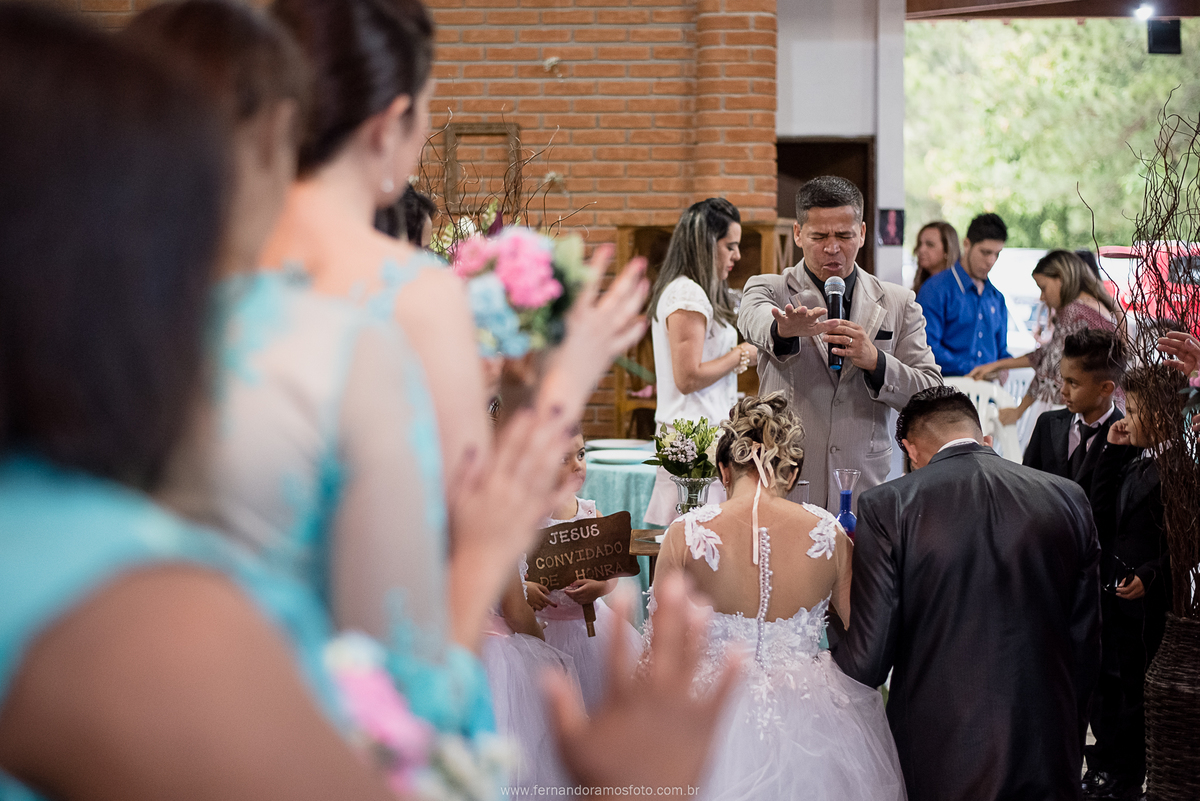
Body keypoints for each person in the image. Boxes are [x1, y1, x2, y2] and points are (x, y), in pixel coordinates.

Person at [835, 386, 1100, 801]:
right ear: (980, 435)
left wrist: (826, 617)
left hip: (940, 748)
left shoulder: (887, 505)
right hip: (1048, 744)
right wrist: (1066, 732)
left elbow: (868, 661)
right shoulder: (1068, 497)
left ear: (910, 449)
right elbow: (1086, 645)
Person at [650, 393, 905, 800]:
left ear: (723, 470)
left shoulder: (686, 533)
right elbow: (864, 631)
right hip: (813, 715)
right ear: (792, 471)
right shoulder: (828, 533)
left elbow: (659, 648)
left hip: (709, 707)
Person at [738, 176, 942, 511]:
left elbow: (930, 392)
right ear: (798, 233)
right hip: (786, 485)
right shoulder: (769, 289)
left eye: (844, 236)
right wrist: (783, 331)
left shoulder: (898, 302)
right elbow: (754, 322)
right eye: (819, 236)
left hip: (864, 487)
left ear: (861, 233)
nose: (832, 247)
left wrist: (876, 361)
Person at [1085, 365, 1181, 801]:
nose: (1126, 417)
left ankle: (1133, 775)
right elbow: (1101, 511)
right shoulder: (1131, 457)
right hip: (1115, 595)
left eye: (1135, 409)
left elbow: (1185, 545)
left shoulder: (1179, 470)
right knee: (1113, 686)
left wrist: (1150, 574)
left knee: (1138, 695)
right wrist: (1110, 449)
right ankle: (1111, 769)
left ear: (1164, 415)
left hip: (1149, 605)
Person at [643, 197, 756, 525]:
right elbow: (688, 377)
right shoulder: (687, 296)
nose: (736, 255)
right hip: (693, 440)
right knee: (695, 543)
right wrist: (741, 354)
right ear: (706, 245)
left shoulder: (692, 291)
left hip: (700, 435)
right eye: (729, 246)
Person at [526, 430, 643, 716]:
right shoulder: (528, 517)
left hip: (590, 630)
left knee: (597, 704)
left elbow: (610, 570)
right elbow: (513, 568)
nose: (578, 465)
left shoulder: (590, 514)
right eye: (565, 458)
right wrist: (525, 588)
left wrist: (600, 588)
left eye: (581, 455)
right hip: (543, 630)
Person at [970, 249, 1123, 429]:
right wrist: (996, 365)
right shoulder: (1097, 305)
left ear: (1061, 278)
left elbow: (1050, 368)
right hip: (1107, 408)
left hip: (1086, 415)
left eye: (1043, 288)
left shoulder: (1073, 310)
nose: (1042, 297)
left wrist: (1018, 411)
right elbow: (1047, 353)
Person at [1023, 328, 1127, 497]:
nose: (1063, 390)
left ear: (1105, 388)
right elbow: (1025, 485)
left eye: (1073, 383)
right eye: (1063, 379)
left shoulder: (1126, 439)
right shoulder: (1047, 424)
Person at [916, 212, 1009, 377]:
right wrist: (971, 369)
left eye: (997, 254)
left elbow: (1002, 350)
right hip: (948, 391)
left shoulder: (997, 298)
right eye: (985, 252)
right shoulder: (935, 289)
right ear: (967, 244)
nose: (991, 261)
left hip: (990, 395)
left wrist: (1005, 366)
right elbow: (927, 346)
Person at [911, 220, 960, 294]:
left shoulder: (957, 289)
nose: (921, 250)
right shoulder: (922, 286)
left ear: (947, 250)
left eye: (930, 244)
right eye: (920, 244)